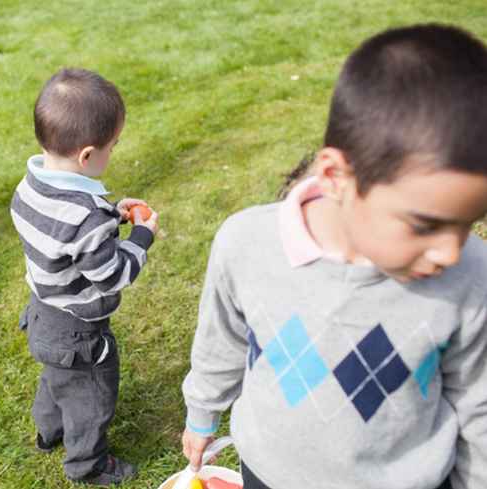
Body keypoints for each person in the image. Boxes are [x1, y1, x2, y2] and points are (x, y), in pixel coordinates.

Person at [181, 24, 487, 489]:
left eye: (468, 222)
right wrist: (202, 412)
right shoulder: (246, 244)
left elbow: (478, 402)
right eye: (425, 225)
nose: (450, 250)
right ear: (336, 176)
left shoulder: (471, 274)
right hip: (268, 473)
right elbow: (220, 339)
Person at [11, 68, 159, 486]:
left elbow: (65, 233)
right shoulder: (86, 219)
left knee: (56, 379)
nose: (113, 152)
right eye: (113, 146)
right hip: (80, 331)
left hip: (43, 314)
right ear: (88, 155)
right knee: (91, 394)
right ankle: (87, 464)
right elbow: (111, 275)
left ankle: (48, 433)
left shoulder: (29, 186)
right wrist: (142, 237)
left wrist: (112, 214)